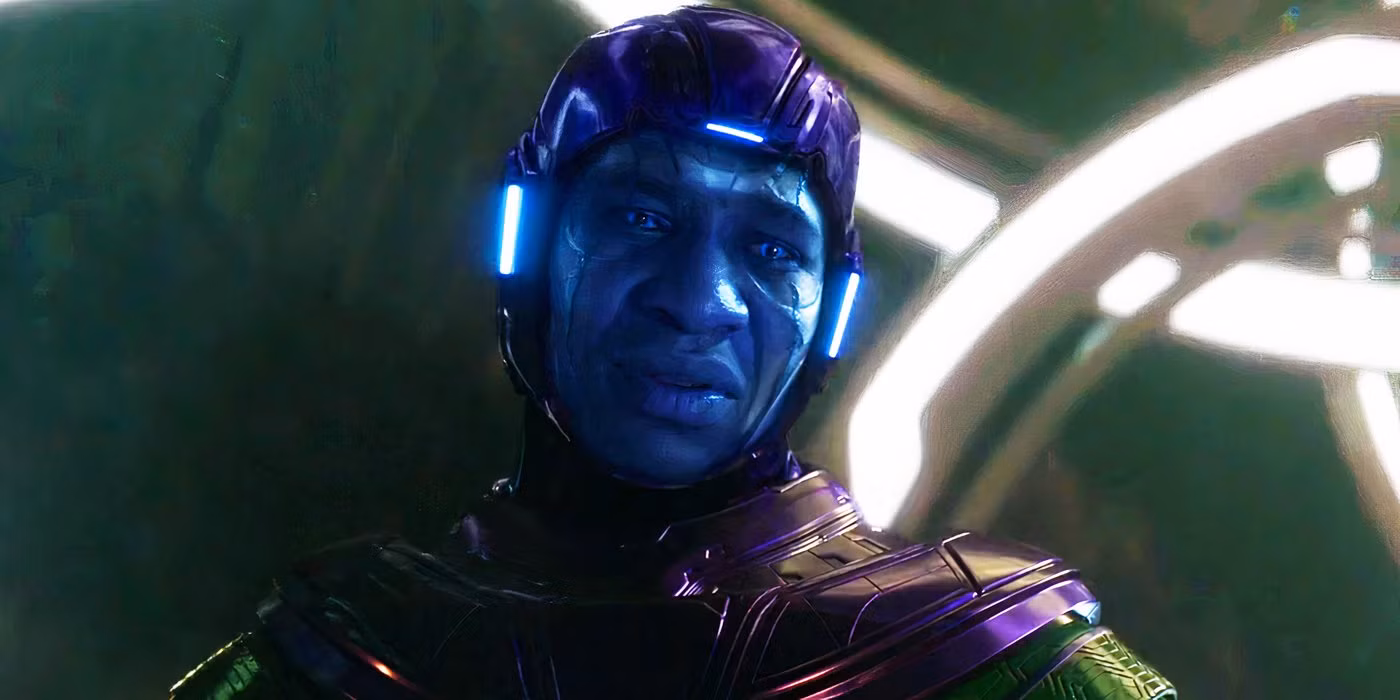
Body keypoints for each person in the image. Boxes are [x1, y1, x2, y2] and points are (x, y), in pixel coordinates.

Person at [170, 7, 1175, 699]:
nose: (698, 303)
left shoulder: (983, 656)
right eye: (642, 217)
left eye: (770, 248)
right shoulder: (347, 649)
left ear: (831, 308)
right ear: (529, 243)